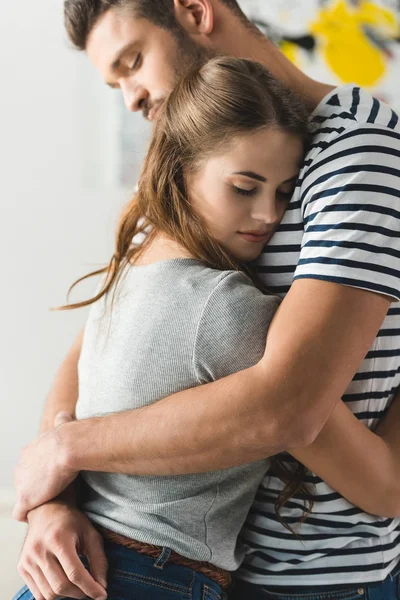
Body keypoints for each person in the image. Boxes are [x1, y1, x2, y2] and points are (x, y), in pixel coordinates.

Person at [13, 0, 400, 598]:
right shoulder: (187, 168)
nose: (131, 98)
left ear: (195, 12)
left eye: (133, 61)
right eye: (115, 82)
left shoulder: (357, 156)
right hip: (182, 565)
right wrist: (54, 505)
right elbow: (88, 355)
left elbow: (288, 406)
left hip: (306, 581)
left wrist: (67, 449)